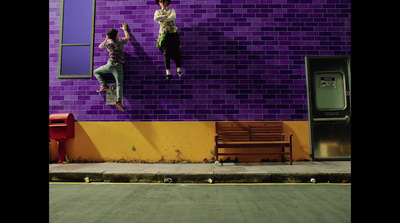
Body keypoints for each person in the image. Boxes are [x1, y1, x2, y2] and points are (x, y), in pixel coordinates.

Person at [94, 23, 130, 112]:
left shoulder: (107, 42)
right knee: (119, 84)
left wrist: (106, 39)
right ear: (116, 35)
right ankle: (119, 101)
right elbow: (128, 37)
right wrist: (125, 29)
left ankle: (103, 85)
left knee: (96, 72)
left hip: (110, 65)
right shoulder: (120, 41)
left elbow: (100, 46)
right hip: (118, 66)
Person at [154, 0, 183, 82]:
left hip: (173, 33)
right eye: (160, 1)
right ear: (158, 3)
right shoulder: (157, 11)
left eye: (164, 1)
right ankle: (168, 73)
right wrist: (166, 16)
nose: (162, 2)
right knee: (166, 53)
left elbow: (173, 17)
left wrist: (162, 18)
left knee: (176, 51)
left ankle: (178, 71)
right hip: (164, 34)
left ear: (167, 2)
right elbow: (156, 19)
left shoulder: (172, 10)